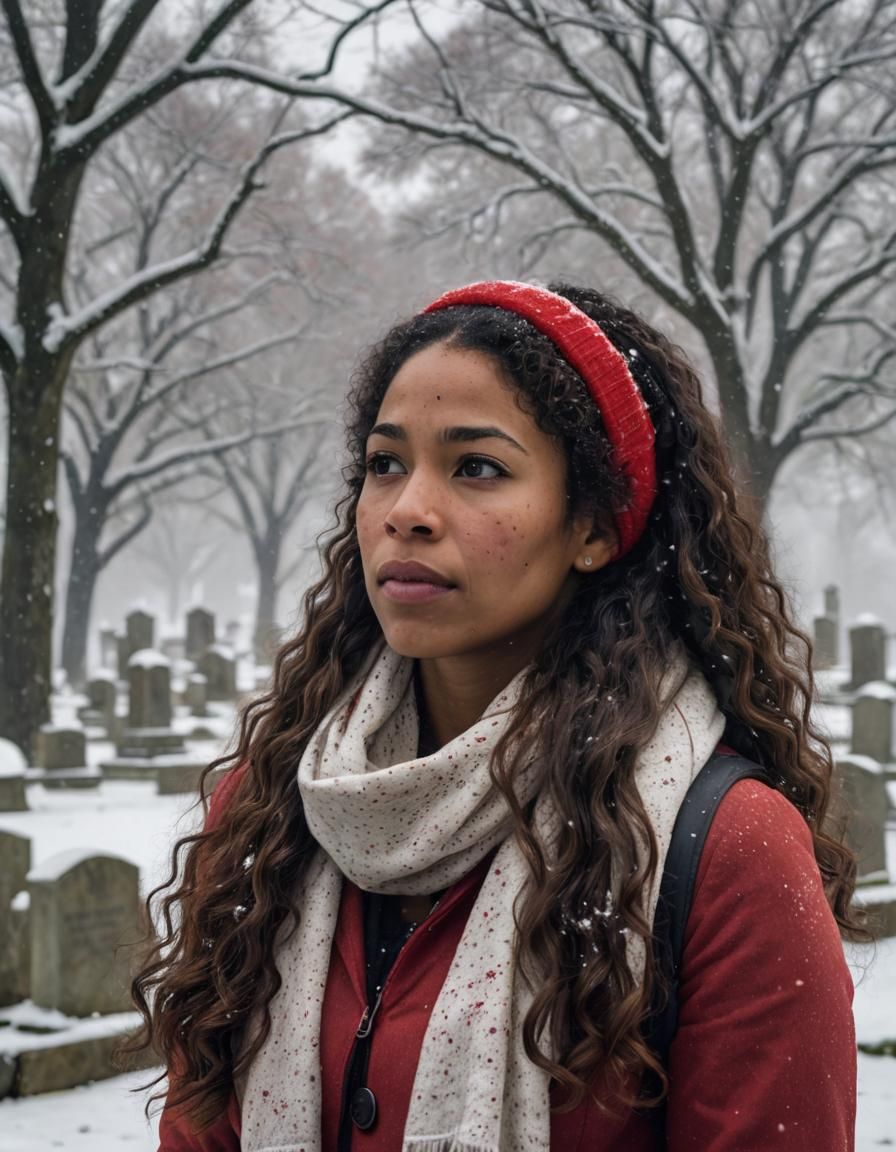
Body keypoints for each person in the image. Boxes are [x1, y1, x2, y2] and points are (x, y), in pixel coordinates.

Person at [134, 280, 862, 1152]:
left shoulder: (729, 852)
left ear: (594, 527)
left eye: (476, 467)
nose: (407, 512)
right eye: (384, 464)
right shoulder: (273, 810)